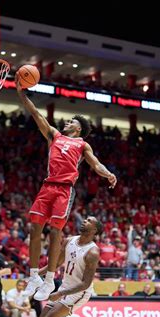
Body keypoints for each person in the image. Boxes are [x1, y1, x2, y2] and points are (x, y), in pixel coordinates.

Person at [16, 77, 117, 301]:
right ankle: (34, 277)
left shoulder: (82, 144)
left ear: (78, 127)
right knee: (34, 230)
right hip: (47, 186)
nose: (66, 123)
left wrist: (107, 173)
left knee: (54, 232)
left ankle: (50, 279)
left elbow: (95, 164)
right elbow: (36, 114)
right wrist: (21, 93)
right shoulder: (54, 136)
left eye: (71, 121)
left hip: (64, 189)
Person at [29, 216, 102, 317]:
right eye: (85, 219)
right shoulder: (69, 241)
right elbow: (55, 263)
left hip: (79, 293)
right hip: (64, 288)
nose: (84, 221)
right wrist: (35, 275)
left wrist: (60, 293)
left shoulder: (93, 252)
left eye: (89, 221)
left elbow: (86, 283)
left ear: (94, 230)